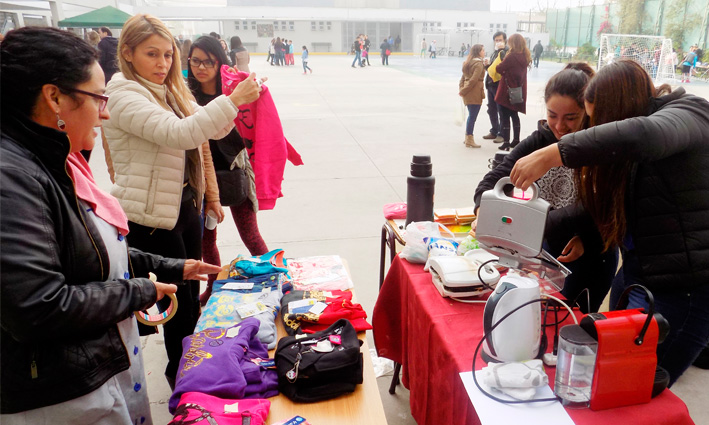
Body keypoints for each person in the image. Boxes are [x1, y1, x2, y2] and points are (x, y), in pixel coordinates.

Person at [0, 26, 221, 424]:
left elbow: (89, 250)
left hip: (93, 374)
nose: (105, 112)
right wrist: (139, 290)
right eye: (97, 98)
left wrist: (172, 266)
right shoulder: (12, 178)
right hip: (59, 395)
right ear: (54, 98)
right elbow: (38, 306)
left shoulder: (55, 159)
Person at [509, 59, 709, 386]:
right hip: (637, 273)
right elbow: (604, 207)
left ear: (620, 109)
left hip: (684, 292)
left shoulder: (690, 112)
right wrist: (580, 233)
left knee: (634, 384)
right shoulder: (636, 134)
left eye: (597, 119)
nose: (595, 127)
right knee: (607, 370)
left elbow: (643, 135)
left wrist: (553, 153)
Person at [102, 13, 265, 389]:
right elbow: (179, 133)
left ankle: (193, 367)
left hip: (183, 205)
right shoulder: (124, 93)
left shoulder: (169, 89)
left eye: (168, 55)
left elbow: (203, 131)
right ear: (127, 53)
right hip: (151, 216)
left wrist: (234, 106)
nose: (163, 64)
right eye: (152, 55)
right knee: (175, 304)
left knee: (189, 298)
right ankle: (183, 377)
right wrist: (230, 100)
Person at [474, 63, 616, 313]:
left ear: (589, 111)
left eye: (571, 118)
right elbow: (493, 179)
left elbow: (607, 206)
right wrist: (482, 209)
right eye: (552, 115)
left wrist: (590, 237)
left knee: (574, 329)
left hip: (591, 258)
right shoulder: (540, 140)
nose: (559, 127)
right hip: (547, 252)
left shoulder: (602, 144)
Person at [186, 36, 270, 304]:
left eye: (208, 62)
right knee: (206, 241)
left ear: (218, 62)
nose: (201, 68)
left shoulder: (234, 91)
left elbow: (253, 123)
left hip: (235, 171)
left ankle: (272, 279)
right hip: (203, 181)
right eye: (195, 61)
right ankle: (212, 287)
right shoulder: (185, 96)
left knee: (251, 235)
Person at [494, 33, 531, 151]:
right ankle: (516, 140)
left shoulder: (511, 56)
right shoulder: (525, 56)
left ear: (513, 43)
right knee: (514, 115)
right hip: (518, 90)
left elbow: (498, 68)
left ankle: (506, 142)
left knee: (504, 117)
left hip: (506, 91)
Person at [482, 31, 508, 144]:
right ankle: (494, 130)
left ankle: (502, 134)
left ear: (505, 41)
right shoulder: (494, 53)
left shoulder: (506, 53)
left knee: (501, 110)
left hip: (500, 85)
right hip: (490, 84)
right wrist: (487, 66)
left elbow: (504, 68)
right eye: (496, 40)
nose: (498, 42)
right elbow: (492, 69)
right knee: (491, 109)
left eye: (500, 40)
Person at [458, 44, 486, 148]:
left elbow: (462, 78)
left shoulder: (467, 62)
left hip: (467, 91)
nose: (484, 52)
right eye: (483, 50)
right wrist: (464, 90)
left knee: (471, 115)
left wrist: (462, 89)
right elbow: (474, 79)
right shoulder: (478, 64)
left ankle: (467, 137)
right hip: (474, 92)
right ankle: (469, 138)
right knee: (472, 116)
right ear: (478, 52)